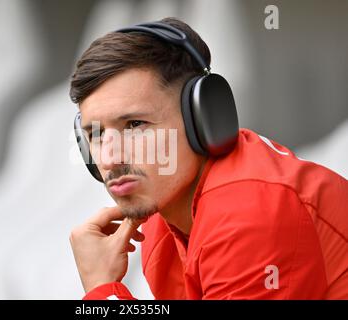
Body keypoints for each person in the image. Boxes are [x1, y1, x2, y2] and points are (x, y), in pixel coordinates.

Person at [68, 17, 348, 299]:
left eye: (135, 125)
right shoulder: (162, 217)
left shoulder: (248, 217)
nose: (110, 158)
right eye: (97, 134)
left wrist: (102, 288)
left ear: (203, 118)